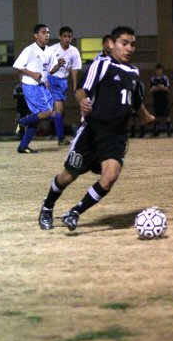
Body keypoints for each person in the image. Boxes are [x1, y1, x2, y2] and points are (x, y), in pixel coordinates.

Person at [38, 26, 155, 231]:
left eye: (132, 44)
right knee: (69, 174)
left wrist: (145, 116)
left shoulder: (134, 73)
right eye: (124, 43)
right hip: (93, 132)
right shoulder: (101, 65)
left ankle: (75, 212)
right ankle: (47, 207)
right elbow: (82, 89)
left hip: (116, 136)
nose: (129, 48)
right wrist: (83, 101)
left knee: (110, 177)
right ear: (112, 44)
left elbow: (135, 101)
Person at [13, 24, 56, 154]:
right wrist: (33, 74)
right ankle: (21, 121)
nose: (47, 35)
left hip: (42, 87)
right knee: (49, 112)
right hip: (31, 85)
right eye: (43, 32)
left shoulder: (49, 50)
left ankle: (23, 146)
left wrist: (58, 66)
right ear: (36, 35)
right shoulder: (29, 50)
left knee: (38, 118)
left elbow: (51, 70)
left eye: (48, 32)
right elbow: (17, 65)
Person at [47, 26, 82, 146]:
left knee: (59, 112)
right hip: (53, 80)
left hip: (63, 82)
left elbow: (75, 69)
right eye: (65, 36)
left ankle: (26, 121)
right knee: (59, 110)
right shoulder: (51, 50)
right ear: (60, 37)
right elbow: (45, 67)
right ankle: (60, 138)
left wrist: (75, 86)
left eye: (69, 36)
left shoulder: (74, 51)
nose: (67, 39)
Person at [149, 63, 172, 137]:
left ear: (162, 71)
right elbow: (151, 89)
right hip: (156, 99)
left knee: (166, 115)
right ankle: (156, 130)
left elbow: (167, 88)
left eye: (159, 70)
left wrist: (160, 87)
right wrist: (159, 87)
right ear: (155, 71)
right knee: (157, 115)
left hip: (164, 99)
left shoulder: (165, 78)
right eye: (157, 70)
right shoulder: (153, 78)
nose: (158, 71)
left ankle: (169, 131)